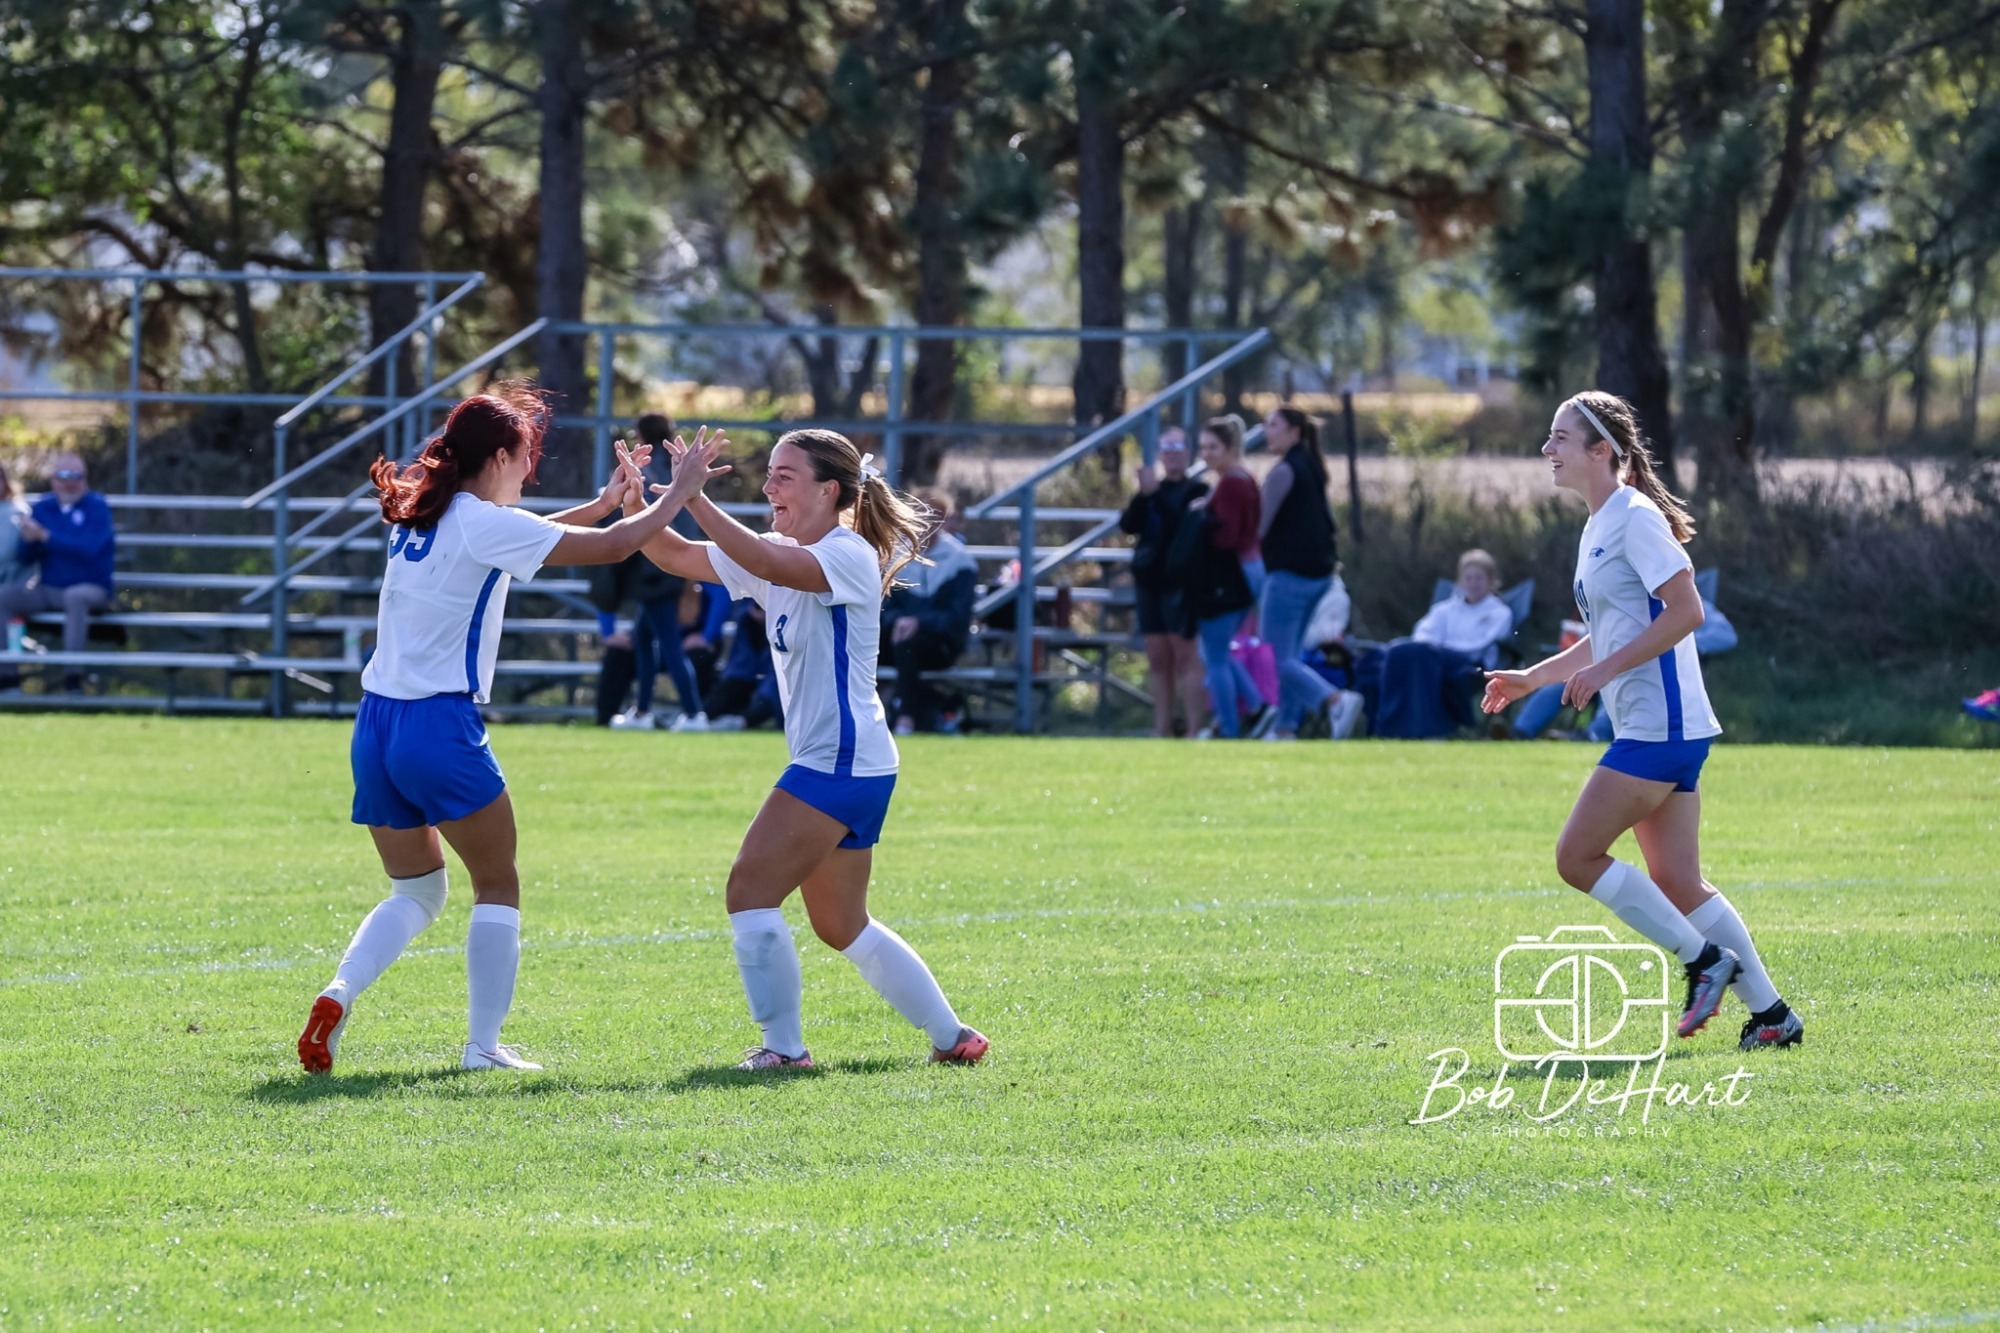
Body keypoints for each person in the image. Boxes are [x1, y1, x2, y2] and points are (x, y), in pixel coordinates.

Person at [296, 385, 721, 1076]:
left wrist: (611, 500)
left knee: (417, 891)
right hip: (438, 724)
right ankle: (483, 1048)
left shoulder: (422, 511)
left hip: (375, 726)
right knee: (498, 883)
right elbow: (611, 550)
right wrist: (680, 492)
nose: (529, 472)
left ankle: (338, 991)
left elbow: (531, 533)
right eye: (526, 458)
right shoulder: (480, 522)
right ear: (498, 455)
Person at [622, 427, 989, 1070]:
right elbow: (676, 556)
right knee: (841, 924)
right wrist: (640, 507)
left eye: (784, 475)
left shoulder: (846, 553)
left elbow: (765, 564)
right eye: (769, 473)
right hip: (853, 762)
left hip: (839, 762)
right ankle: (953, 1037)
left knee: (748, 889)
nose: (769, 486)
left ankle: (785, 1053)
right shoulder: (783, 546)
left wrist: (694, 495)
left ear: (829, 492)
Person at [1481, 391, 1802, 1051]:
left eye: (1561, 438)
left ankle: (1703, 960)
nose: (1549, 449)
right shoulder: (1599, 522)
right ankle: (1772, 1016)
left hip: (1660, 726)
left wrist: (1602, 674)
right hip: (1662, 727)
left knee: (1576, 856)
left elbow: (1687, 612)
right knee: (1679, 880)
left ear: (1604, 450)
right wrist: (1532, 679)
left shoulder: (1632, 516)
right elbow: (1608, 633)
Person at [610, 412, 706, 731]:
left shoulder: (648, 468)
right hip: (675, 565)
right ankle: (642, 712)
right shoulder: (675, 466)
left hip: (655, 569)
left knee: (669, 645)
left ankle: (694, 714)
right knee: (643, 640)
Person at [1357, 549, 1515, 740]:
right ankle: (1392, 727)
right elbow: (1423, 633)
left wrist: (1441, 648)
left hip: (1470, 664)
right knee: (1396, 652)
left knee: (1422, 656)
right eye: (1469, 578)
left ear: (1491, 581)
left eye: (1479, 578)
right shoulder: (1445, 609)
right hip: (1433, 655)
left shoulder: (1499, 613)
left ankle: (1427, 729)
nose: (1473, 583)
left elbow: (1481, 645)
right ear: (1460, 580)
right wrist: (1434, 648)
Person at [1257, 406, 1342, 740]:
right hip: (1319, 575)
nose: (1268, 431)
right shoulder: (1312, 467)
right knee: (1289, 658)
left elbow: (1258, 528)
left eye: (1274, 425)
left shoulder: (1284, 472)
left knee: (1274, 657)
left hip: (1289, 576)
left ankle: (1334, 700)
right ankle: (1285, 728)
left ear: (1294, 432)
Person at [0, 453, 115, 694]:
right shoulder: (44, 507)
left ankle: (73, 677)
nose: (70, 482)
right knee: (4, 597)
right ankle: (8, 678)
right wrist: (28, 539)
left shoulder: (97, 507)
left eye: (76, 476)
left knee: (75, 596)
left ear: (85, 478)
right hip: (50, 589)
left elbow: (89, 549)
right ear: (53, 479)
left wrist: (47, 537)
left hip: (92, 589)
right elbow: (25, 557)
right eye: (63, 475)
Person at [1120, 427, 1208, 737]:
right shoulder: (1150, 491)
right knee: (1158, 659)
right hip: (1150, 582)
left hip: (1180, 584)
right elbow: (1128, 525)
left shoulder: (1197, 491)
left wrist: (1154, 494)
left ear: (1188, 452)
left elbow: (1181, 528)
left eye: (1178, 446)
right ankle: (1162, 727)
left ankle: (1195, 728)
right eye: (1166, 447)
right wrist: (1144, 497)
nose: (1172, 453)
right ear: (1159, 453)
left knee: (1186, 658)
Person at [1182, 415, 1266, 739]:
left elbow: (1227, 537)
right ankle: (1257, 704)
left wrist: (1203, 521)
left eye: (1213, 447)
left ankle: (1230, 726)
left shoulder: (1232, 481)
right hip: (1247, 569)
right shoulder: (1238, 479)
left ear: (1231, 448)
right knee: (1215, 652)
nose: (1206, 454)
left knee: (1214, 655)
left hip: (1234, 573)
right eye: (1203, 447)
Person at [882, 487, 976, 734]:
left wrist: (918, 622)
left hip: (939, 645)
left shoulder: (959, 561)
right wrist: (898, 621)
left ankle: (906, 718)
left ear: (943, 519)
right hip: (894, 638)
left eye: (934, 515)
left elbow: (957, 617)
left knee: (908, 645)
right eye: (920, 514)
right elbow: (882, 608)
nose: (927, 521)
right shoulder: (896, 557)